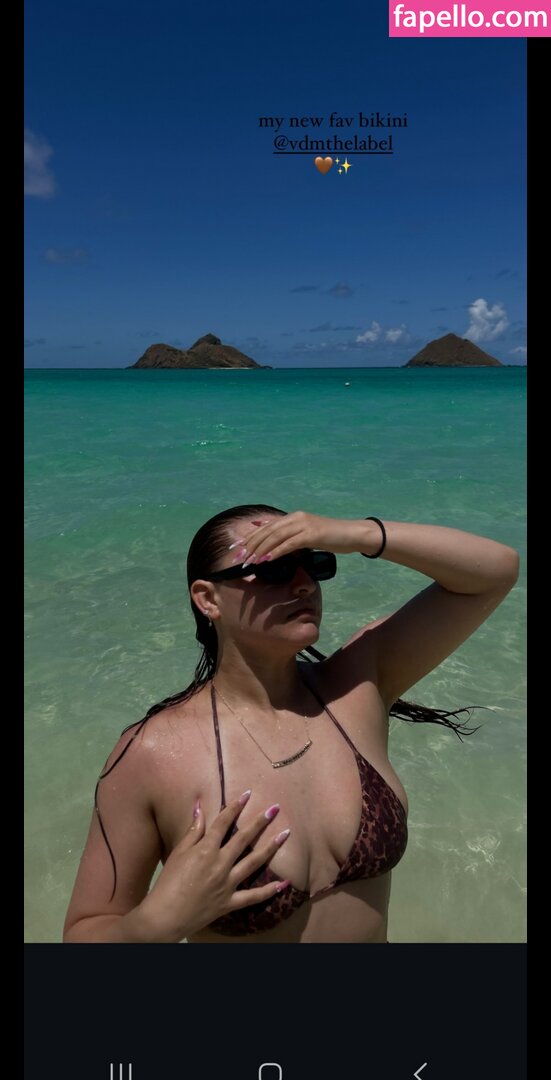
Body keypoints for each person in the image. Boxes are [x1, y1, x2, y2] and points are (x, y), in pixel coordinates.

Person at [63, 506, 519, 943]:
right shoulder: (154, 754)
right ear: (208, 598)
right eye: (275, 569)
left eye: (314, 564)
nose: (304, 585)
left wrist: (353, 534)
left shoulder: (356, 688)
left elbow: (493, 573)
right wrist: (153, 925)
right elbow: (85, 931)